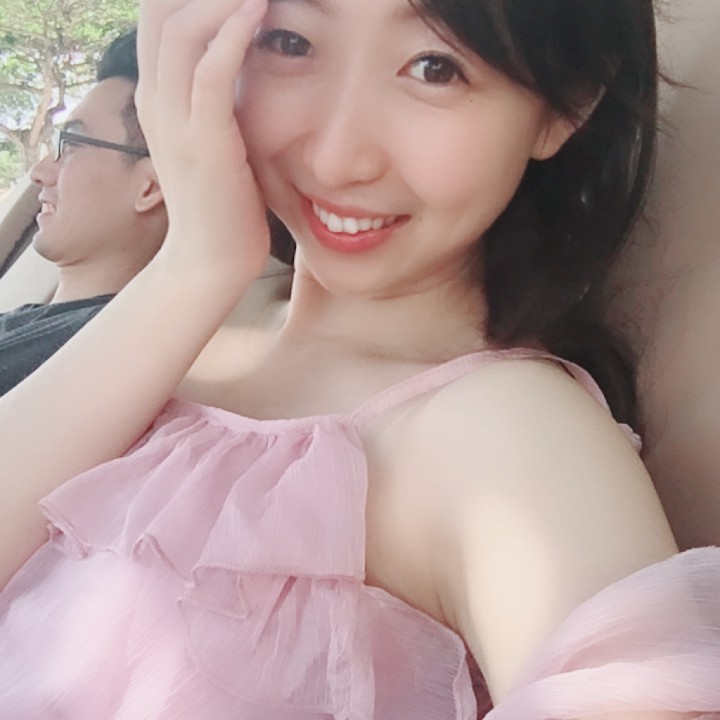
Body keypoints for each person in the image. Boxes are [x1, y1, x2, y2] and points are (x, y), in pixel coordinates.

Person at [0, 0, 719, 717]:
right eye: (291, 43)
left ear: (567, 107)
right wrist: (195, 262)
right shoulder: (188, 316)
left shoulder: (506, 436)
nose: (335, 158)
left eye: (435, 68)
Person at [0, 30, 167, 396]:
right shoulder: (32, 326)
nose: (39, 172)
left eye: (72, 144)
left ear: (150, 187)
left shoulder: (93, 355)